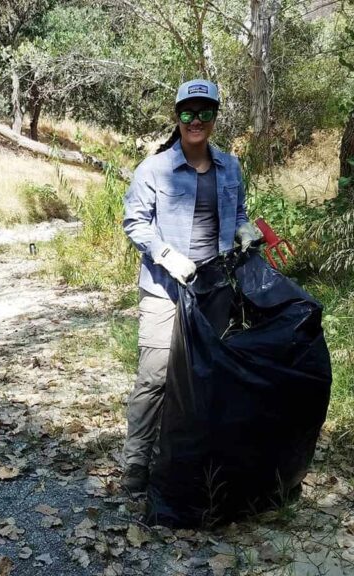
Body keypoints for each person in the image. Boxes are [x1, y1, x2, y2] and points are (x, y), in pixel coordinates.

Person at [120, 79, 260, 494]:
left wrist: (244, 230)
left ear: (215, 117)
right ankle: (135, 464)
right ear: (176, 116)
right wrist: (166, 255)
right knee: (156, 376)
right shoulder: (154, 169)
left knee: (203, 375)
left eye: (204, 113)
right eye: (187, 113)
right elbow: (135, 224)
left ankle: (190, 458)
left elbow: (238, 213)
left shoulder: (230, 167)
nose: (195, 121)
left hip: (213, 288)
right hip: (165, 288)